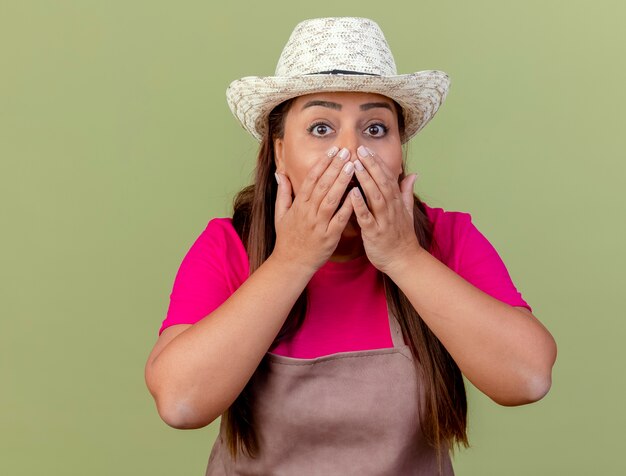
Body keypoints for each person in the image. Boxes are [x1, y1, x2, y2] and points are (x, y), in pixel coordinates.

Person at [144, 17, 557, 475]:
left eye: (375, 129)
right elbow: (181, 404)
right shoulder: (229, 247)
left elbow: (528, 378)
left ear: (400, 149)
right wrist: (292, 259)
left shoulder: (447, 240)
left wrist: (403, 256)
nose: (352, 151)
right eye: (321, 128)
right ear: (279, 152)